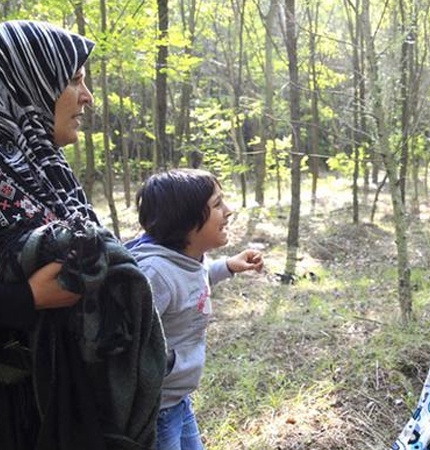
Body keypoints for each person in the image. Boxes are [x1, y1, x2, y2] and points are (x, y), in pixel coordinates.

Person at [0, 20, 166, 449]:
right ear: (25, 85)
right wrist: (25, 300)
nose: (87, 97)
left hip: (64, 410)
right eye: (74, 81)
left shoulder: (46, 172)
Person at [126, 169, 264, 450]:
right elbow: (127, 338)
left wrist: (226, 267)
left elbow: (191, 284)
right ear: (185, 221)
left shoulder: (185, 258)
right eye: (217, 204)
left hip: (177, 399)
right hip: (156, 410)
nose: (229, 210)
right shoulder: (155, 273)